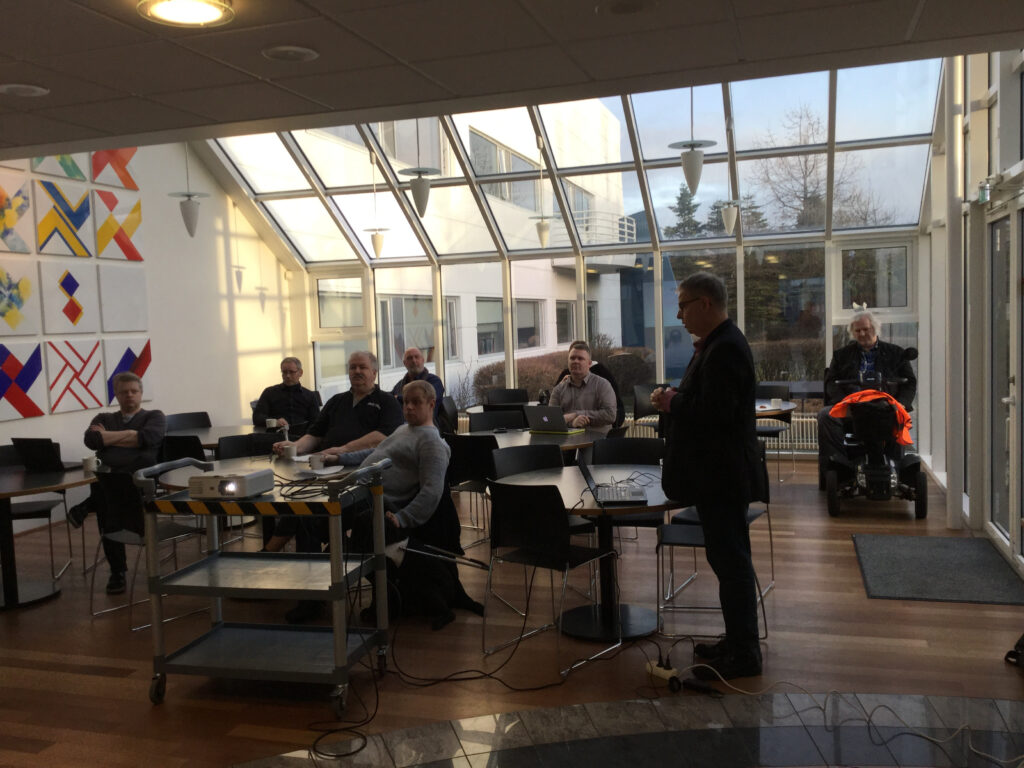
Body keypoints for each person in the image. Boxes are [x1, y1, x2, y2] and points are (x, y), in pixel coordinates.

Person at [651, 272, 766, 681]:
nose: (678, 315)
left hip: (722, 477)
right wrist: (675, 398)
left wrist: (672, 401)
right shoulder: (719, 344)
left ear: (705, 304)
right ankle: (736, 642)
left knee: (732, 564)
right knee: (727, 561)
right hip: (718, 476)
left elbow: (715, 414)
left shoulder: (726, 348)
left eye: (682, 305)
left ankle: (745, 654)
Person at [265, 351, 402, 561]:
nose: (356, 371)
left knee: (307, 513)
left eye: (362, 367)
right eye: (352, 367)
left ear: (374, 373)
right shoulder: (337, 401)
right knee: (300, 504)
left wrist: (342, 450)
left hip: (362, 482)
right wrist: (295, 446)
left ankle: (276, 556)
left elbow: (381, 438)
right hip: (324, 473)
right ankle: (303, 566)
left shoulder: (387, 402)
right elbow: (315, 433)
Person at [70, 372, 166, 595]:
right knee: (107, 491)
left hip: (141, 480)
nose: (129, 395)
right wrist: (130, 435)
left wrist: (109, 439)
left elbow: (148, 438)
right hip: (112, 480)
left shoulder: (155, 416)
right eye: (124, 392)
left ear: (141, 393)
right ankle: (117, 570)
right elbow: (92, 440)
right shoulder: (103, 417)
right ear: (116, 395)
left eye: (134, 391)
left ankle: (87, 506)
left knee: (105, 492)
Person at [817, 310, 917, 483]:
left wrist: (901, 403)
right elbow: (831, 383)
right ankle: (840, 469)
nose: (862, 334)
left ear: (875, 328)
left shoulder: (896, 353)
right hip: (852, 407)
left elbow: (909, 382)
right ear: (852, 332)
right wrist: (843, 402)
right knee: (826, 416)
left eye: (866, 329)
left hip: (886, 407)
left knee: (899, 415)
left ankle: (894, 468)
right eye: (857, 330)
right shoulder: (841, 355)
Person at [548, 340, 617, 434]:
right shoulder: (558, 390)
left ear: (589, 363)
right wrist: (572, 423)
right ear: (568, 362)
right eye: (572, 358)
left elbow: (610, 415)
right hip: (567, 441)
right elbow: (551, 420)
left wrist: (577, 414)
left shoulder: (602, 385)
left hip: (596, 440)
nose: (575, 361)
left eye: (580, 358)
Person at [252, 356, 320, 438]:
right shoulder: (269, 392)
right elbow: (257, 418)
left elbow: (316, 422)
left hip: (301, 438)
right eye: (284, 372)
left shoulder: (310, 395)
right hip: (275, 437)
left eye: (291, 372)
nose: (287, 376)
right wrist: (275, 422)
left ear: (300, 373)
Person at [390, 346, 445, 420]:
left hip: (426, 424)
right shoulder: (400, 385)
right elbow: (389, 399)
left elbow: (424, 399)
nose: (414, 360)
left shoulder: (434, 381)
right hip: (402, 424)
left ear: (423, 360)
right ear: (404, 363)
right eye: (409, 358)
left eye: (416, 357)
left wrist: (398, 398)